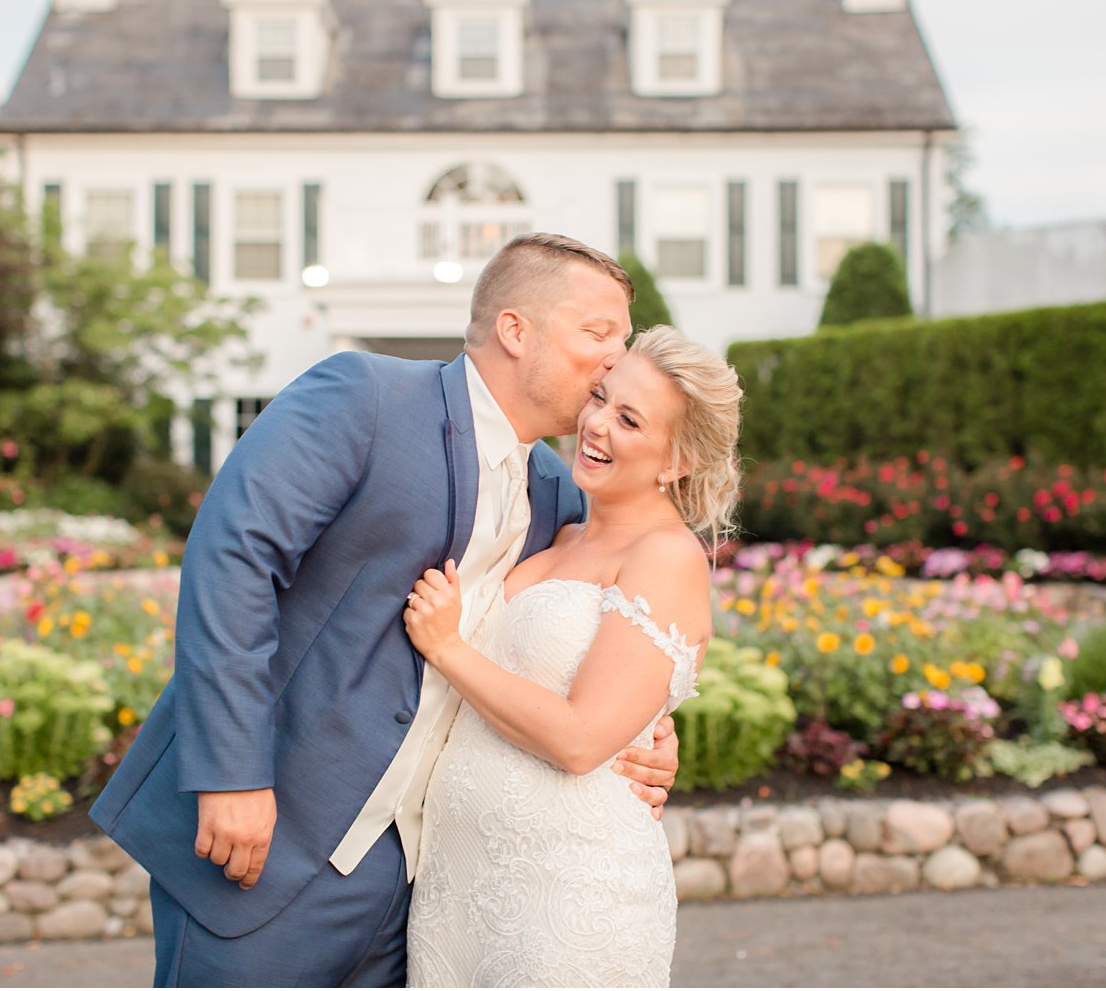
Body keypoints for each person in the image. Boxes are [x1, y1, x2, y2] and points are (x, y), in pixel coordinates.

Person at [89, 233, 682, 987]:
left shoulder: (557, 492)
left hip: (418, 883)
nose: (613, 359)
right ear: (514, 329)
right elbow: (233, 558)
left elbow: (613, 625)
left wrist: (648, 731)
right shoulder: (364, 396)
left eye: (622, 342)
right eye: (597, 334)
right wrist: (231, 775)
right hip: (268, 840)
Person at [402, 325, 743, 987]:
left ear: (675, 461)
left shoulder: (667, 557)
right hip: (459, 884)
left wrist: (447, 647)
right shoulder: (555, 528)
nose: (595, 424)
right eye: (600, 398)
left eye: (629, 419)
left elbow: (584, 741)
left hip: (569, 892)